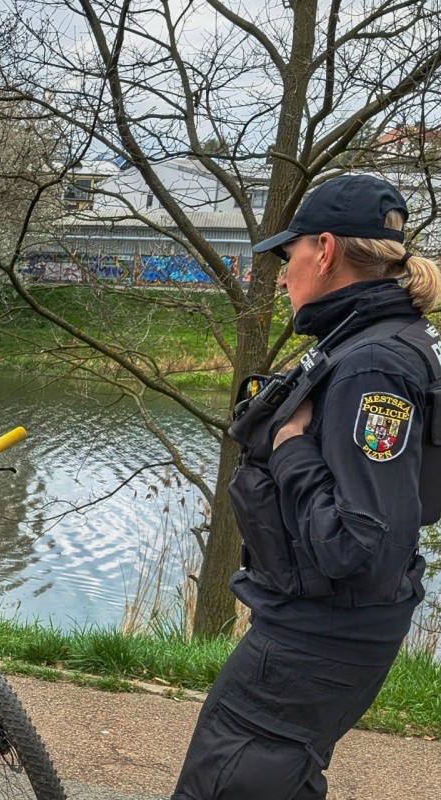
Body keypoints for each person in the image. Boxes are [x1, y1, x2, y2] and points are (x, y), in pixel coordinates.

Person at [172, 174, 441, 799]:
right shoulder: (379, 342)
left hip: (317, 639)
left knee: (225, 784)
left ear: (324, 251)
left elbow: (361, 546)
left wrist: (291, 449)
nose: (284, 274)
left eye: (288, 256)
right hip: (329, 629)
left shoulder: (373, 364)